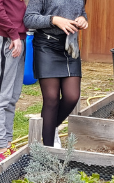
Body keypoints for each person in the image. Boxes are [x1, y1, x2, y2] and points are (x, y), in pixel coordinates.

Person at [24, 0, 87, 147]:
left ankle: (50, 129)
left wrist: (83, 19)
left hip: (70, 46)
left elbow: (81, 12)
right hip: (46, 46)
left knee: (72, 96)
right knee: (51, 99)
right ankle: (48, 150)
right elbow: (29, 19)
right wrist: (54, 20)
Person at [0, 0, 27, 163]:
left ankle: (7, 144)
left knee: (12, 97)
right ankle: (0, 149)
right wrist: (13, 34)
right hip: (8, 40)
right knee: (0, 97)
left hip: (18, 39)